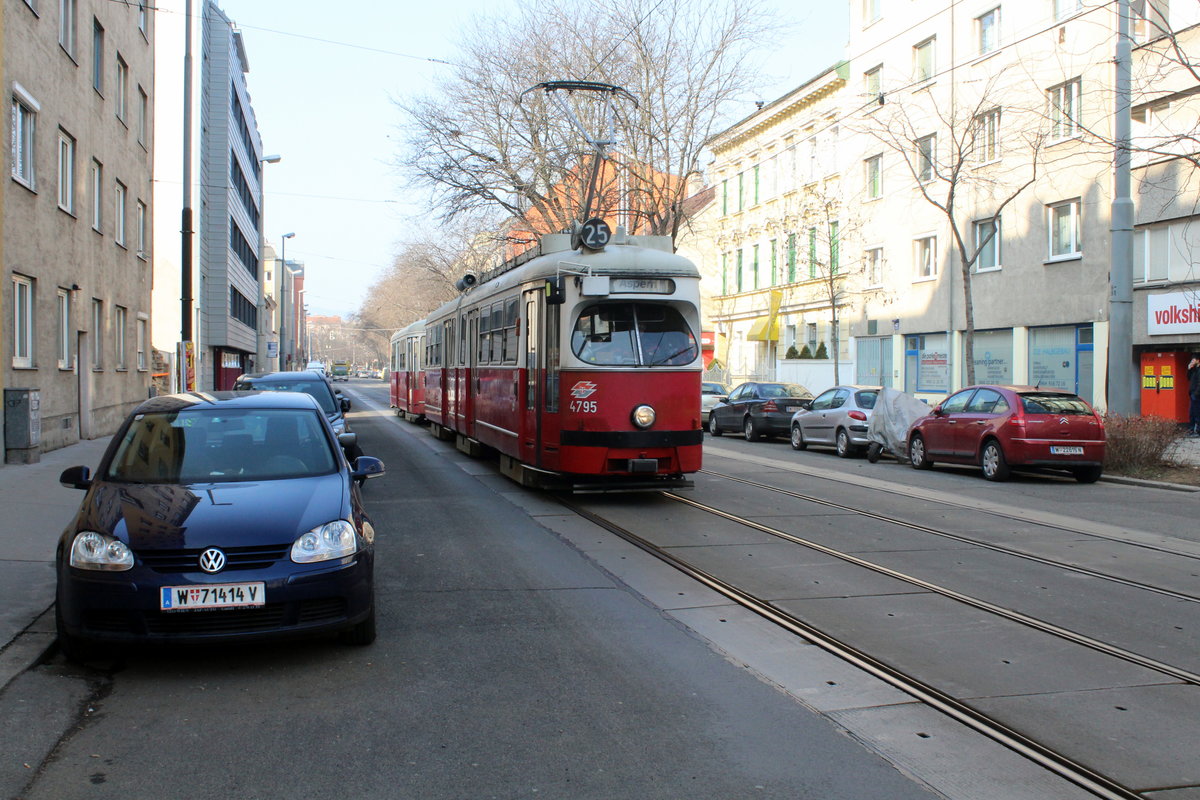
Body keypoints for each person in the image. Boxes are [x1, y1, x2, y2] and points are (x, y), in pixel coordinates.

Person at [1189, 355, 1200, 436]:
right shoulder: (1194, 370)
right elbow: (1188, 378)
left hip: (1196, 395)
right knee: (1192, 412)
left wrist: (1196, 393)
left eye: (1193, 361)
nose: (1192, 362)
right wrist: (1189, 369)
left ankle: (1197, 430)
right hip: (1192, 393)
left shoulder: (1199, 370)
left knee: (1197, 412)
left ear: (1198, 361)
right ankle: (1192, 429)